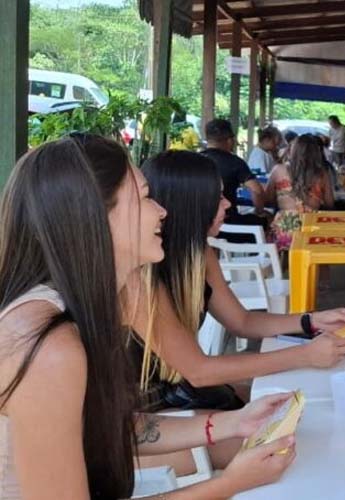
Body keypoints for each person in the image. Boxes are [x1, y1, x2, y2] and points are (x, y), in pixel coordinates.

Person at [0, 136, 294, 498]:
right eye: (143, 197)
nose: (161, 210)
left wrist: (234, 422)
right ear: (93, 216)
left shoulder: (101, 299)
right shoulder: (47, 345)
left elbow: (117, 428)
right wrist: (228, 484)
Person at [131, 150, 345, 470]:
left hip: (178, 398)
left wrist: (309, 321)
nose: (228, 204)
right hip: (142, 422)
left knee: (301, 413)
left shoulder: (198, 253)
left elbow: (242, 320)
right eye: (217, 196)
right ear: (188, 205)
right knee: (292, 446)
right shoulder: (141, 276)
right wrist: (306, 355)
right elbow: (199, 370)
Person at [202, 118, 268, 242]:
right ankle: (257, 258)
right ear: (229, 140)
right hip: (228, 225)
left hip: (199, 227)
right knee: (265, 221)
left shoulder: (195, 160)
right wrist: (259, 211)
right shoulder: (234, 162)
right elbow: (257, 190)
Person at [267, 134, 337, 250]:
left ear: (293, 150)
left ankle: (282, 265)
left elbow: (268, 198)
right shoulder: (321, 174)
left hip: (285, 230)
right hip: (311, 228)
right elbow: (330, 203)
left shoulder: (278, 170)